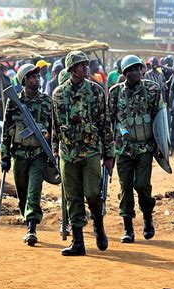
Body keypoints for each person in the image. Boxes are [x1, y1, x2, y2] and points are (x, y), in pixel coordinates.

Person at [52, 51, 115, 256]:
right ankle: (77, 241)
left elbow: (105, 124)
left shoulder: (96, 91)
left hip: (90, 151)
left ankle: (98, 223)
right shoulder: (58, 94)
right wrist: (55, 153)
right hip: (67, 152)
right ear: (71, 69)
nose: (85, 68)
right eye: (80, 66)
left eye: (86, 65)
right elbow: (55, 126)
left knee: (93, 193)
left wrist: (109, 154)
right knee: (73, 197)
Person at [109, 55, 160, 243]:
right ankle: (128, 228)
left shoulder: (153, 90)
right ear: (124, 73)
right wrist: (108, 150)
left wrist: (161, 146)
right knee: (125, 187)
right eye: (130, 70)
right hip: (123, 148)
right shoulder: (115, 93)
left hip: (145, 146)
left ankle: (147, 217)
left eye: (137, 68)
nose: (135, 72)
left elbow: (160, 118)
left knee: (142, 185)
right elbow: (110, 120)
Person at [1, 64, 52, 246]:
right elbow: (6, 130)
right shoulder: (14, 102)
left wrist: (52, 154)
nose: (37, 80)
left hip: (38, 155)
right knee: (22, 192)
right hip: (20, 154)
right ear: (24, 80)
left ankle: (32, 227)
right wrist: (4, 156)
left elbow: (52, 130)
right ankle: (26, 216)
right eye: (32, 77)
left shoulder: (46, 101)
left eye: (38, 77)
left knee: (34, 191)